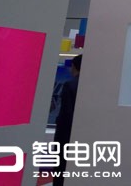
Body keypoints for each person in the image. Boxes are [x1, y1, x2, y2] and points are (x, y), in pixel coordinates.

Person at [53, 54, 82, 186]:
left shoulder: (70, 85)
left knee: (61, 166)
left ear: (74, 67)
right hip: (80, 132)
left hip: (65, 133)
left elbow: (66, 112)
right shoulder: (91, 85)